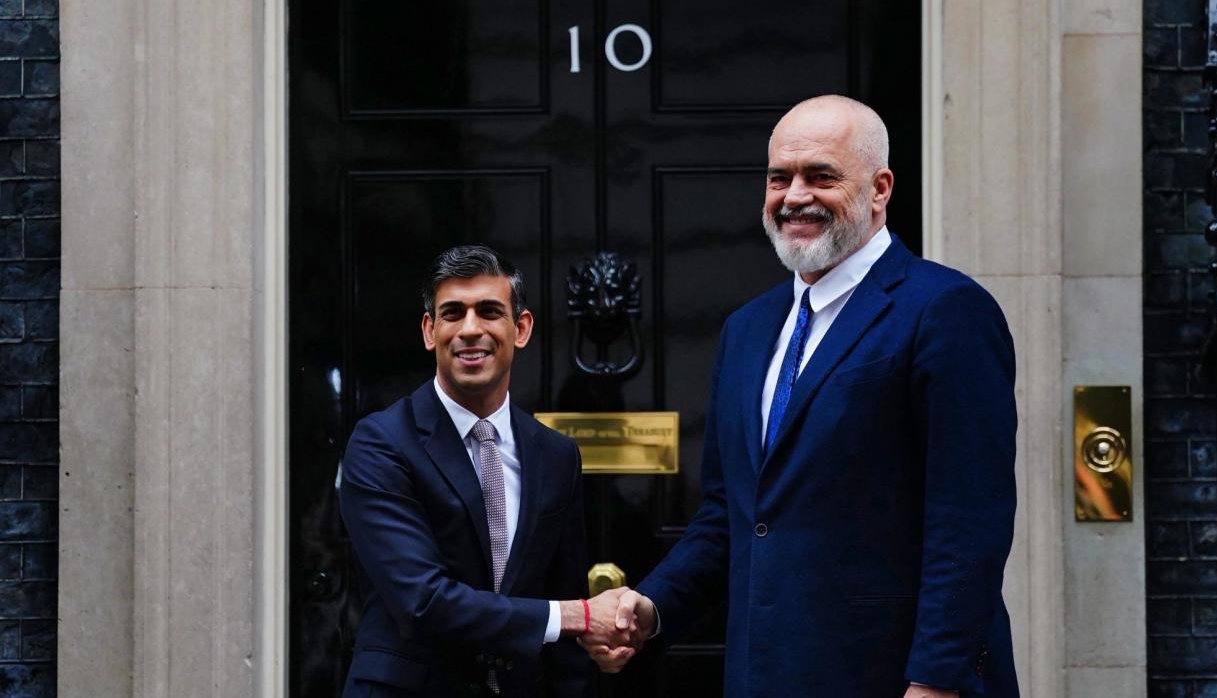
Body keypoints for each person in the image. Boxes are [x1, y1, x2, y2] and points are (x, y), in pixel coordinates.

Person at [581, 96, 1020, 698]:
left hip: (895, 679)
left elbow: (969, 520)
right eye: (778, 178)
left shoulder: (945, 311)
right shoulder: (748, 329)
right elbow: (728, 517)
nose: (793, 196)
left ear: (880, 188)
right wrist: (650, 606)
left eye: (821, 177)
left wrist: (937, 682)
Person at [339, 245, 621, 698]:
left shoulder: (556, 455)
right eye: (453, 313)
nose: (470, 330)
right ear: (430, 331)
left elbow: (565, 610)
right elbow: (423, 601)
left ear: (521, 328)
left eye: (489, 311)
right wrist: (574, 616)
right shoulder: (381, 443)